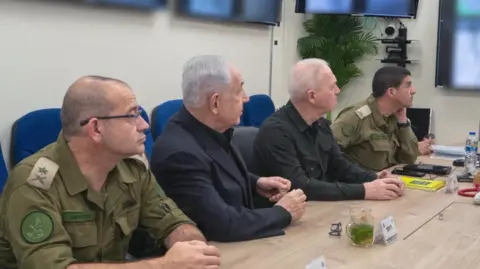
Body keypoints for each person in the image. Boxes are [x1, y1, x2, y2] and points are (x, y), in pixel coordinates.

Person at [0, 76, 221, 269]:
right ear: (96, 128)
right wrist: (164, 265)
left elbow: (172, 221)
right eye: (132, 115)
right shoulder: (34, 184)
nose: (144, 125)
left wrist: (192, 248)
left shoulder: (132, 169)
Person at [151, 55, 307, 242]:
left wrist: (255, 182)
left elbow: (211, 172)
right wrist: (283, 212)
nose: (246, 98)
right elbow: (222, 224)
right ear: (215, 102)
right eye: (239, 90)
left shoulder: (209, 128)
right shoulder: (179, 154)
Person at [254, 58, 405, 201]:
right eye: (332, 87)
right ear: (312, 96)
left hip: (323, 207)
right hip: (295, 216)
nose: (338, 90)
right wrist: (364, 190)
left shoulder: (321, 124)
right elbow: (300, 185)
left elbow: (339, 165)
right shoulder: (276, 132)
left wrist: (374, 178)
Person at [331, 66, 431, 172]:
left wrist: (403, 122)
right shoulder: (355, 117)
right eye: (408, 85)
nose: (413, 91)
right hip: (362, 184)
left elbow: (409, 159)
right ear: (391, 92)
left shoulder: (393, 116)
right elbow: (326, 155)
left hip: (388, 181)